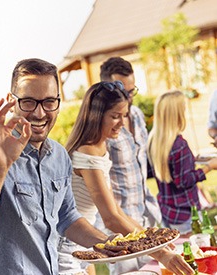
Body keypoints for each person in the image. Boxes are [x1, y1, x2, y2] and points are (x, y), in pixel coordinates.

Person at [0, 58, 118, 275]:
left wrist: (107, 243)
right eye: (29, 101)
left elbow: (67, 217)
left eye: (49, 101)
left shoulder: (59, 156)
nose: (40, 113)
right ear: (11, 101)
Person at [58, 81, 195, 275]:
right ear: (96, 115)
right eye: (115, 116)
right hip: (66, 251)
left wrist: (154, 241)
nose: (122, 124)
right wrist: (160, 254)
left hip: (81, 246)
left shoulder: (99, 148)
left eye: (124, 116)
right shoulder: (86, 152)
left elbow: (117, 211)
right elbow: (111, 218)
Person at [98, 56, 162, 273]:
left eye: (132, 91)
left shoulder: (136, 115)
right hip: (121, 226)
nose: (129, 98)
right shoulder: (102, 126)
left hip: (147, 215)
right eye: (123, 92)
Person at [147, 90, 217, 235]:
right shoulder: (179, 145)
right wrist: (209, 166)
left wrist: (192, 160)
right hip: (186, 215)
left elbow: (173, 170)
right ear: (177, 114)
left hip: (168, 211)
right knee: (197, 252)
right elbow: (184, 180)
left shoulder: (155, 141)